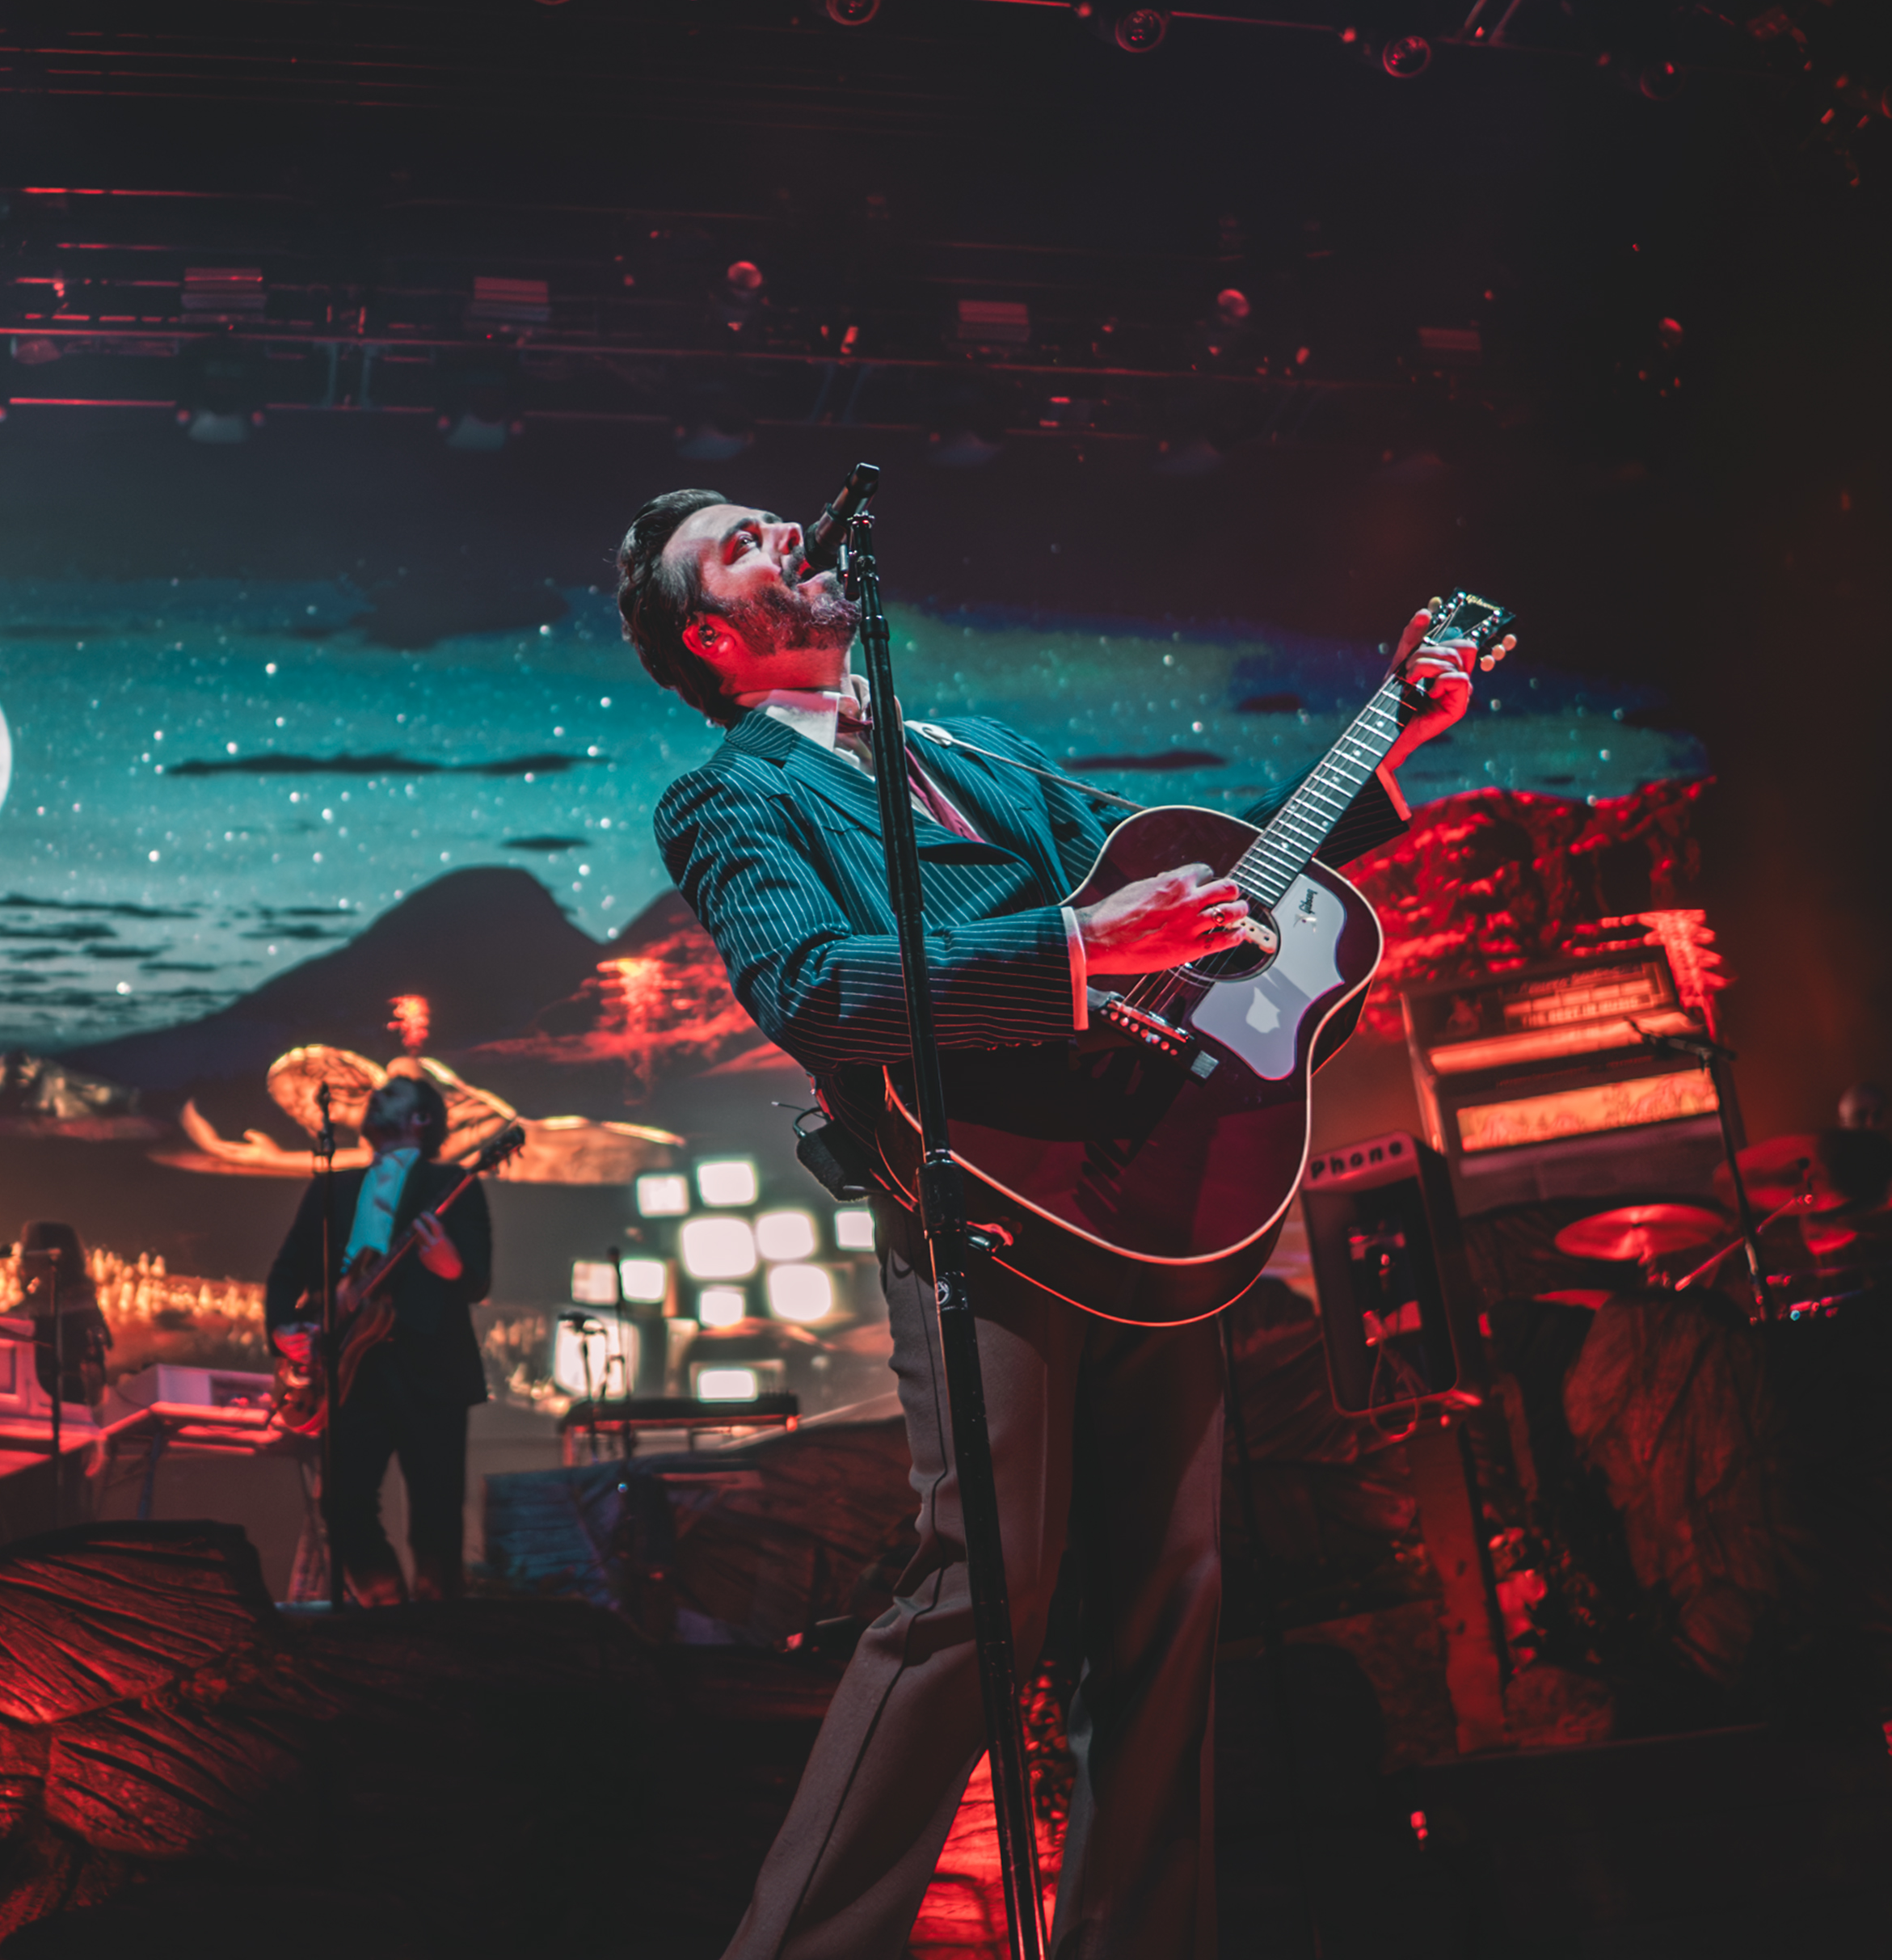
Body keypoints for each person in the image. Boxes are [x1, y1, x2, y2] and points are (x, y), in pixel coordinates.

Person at [615, 489, 1481, 1959]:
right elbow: (822, 988)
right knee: (984, 1588)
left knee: (1170, 1597)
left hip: (1154, 1203)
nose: (789, 542)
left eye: (779, 521)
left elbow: (1213, 880)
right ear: (713, 637)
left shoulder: (977, 750)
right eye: (748, 545)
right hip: (985, 1209)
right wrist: (1082, 947)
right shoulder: (731, 795)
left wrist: (1385, 738)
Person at [265, 1075, 495, 1604]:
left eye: (394, 1094)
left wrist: (450, 1266)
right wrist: (283, 1329)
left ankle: (436, 1634)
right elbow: (287, 1270)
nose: (378, 1094)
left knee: (436, 1517)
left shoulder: (454, 1184)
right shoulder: (333, 1187)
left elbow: (478, 1280)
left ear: (422, 1120)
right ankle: (385, 1611)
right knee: (342, 1508)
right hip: (348, 1372)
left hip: (429, 1369)